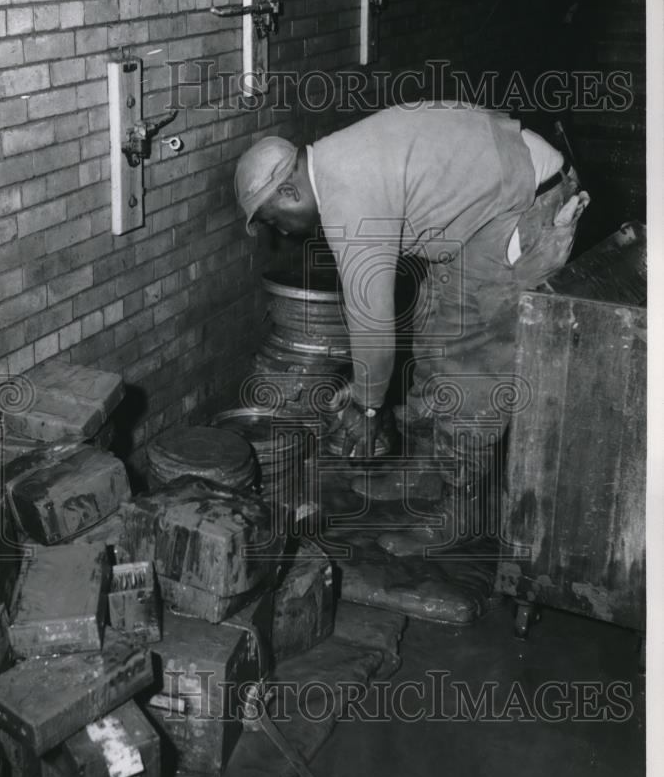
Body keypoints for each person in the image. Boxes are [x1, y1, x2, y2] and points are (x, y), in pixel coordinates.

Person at [234, 102, 590, 519]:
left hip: (527, 198)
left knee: (470, 359)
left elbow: (372, 319)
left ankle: (461, 509)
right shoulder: (333, 157)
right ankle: (424, 471)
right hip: (491, 199)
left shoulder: (347, 197)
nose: (283, 232)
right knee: (432, 327)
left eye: (276, 221)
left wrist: (367, 405)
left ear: (290, 192)